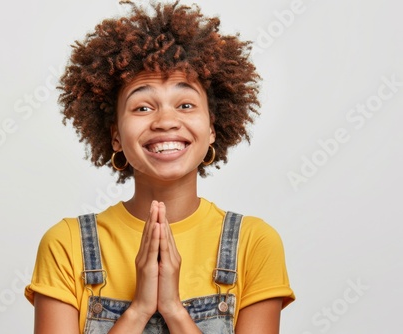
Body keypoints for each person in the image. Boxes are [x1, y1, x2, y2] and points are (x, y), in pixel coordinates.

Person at [24, 1, 295, 333]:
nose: (166, 121)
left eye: (185, 104)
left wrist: (172, 309)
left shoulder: (254, 243)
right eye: (142, 107)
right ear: (115, 137)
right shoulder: (65, 244)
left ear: (212, 127)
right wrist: (137, 310)